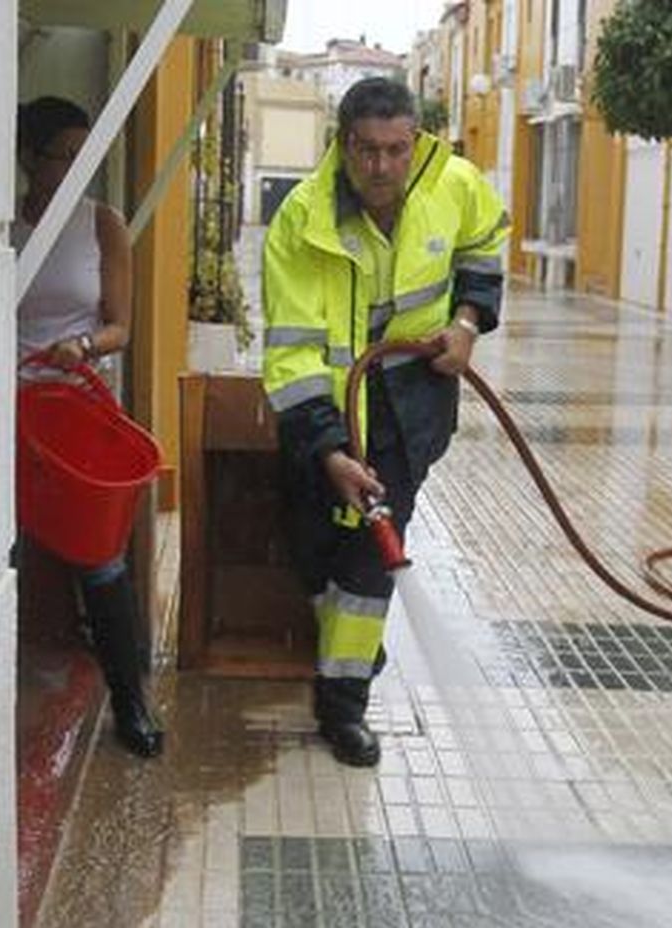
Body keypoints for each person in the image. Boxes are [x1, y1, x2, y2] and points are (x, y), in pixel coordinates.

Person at [259, 78, 510, 767]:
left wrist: (465, 323)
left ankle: (343, 706)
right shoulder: (301, 219)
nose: (382, 167)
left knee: (370, 555)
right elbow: (293, 351)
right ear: (344, 146)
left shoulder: (455, 185)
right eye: (367, 150)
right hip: (329, 410)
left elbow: (485, 246)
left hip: (409, 405)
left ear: (416, 142)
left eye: (396, 150)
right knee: (316, 549)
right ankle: (355, 657)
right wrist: (328, 450)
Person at [14, 96, 162, 758]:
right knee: (4, 552)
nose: (78, 169)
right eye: (64, 156)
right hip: (4, 409)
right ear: (26, 159)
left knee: (100, 555)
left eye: (86, 155)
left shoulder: (102, 225)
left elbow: (121, 327)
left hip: (75, 404)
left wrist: (87, 347)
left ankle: (130, 701)